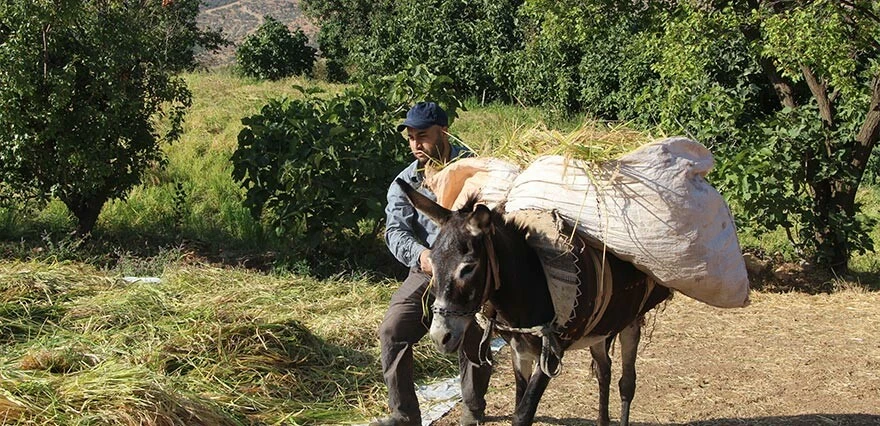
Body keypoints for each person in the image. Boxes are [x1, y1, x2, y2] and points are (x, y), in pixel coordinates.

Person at [372, 102, 492, 426]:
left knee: (472, 330)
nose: (416, 145)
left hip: (470, 272)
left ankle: (473, 408)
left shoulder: (474, 169)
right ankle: (404, 415)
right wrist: (422, 256)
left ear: (444, 132)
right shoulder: (406, 182)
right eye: (411, 138)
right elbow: (395, 232)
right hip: (427, 270)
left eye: (422, 136)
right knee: (393, 329)